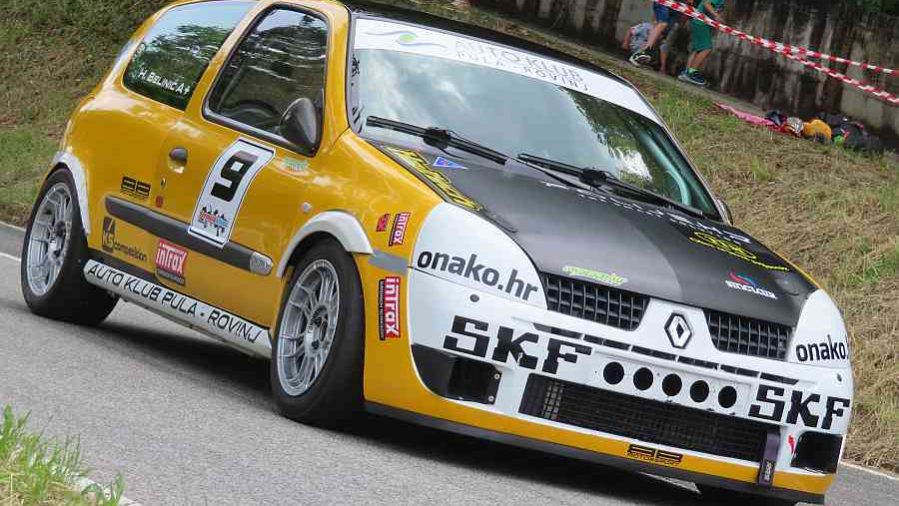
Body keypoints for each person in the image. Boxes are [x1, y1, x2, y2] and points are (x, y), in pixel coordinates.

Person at [629, 1, 693, 69]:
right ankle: (644, 51)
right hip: (665, 3)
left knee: (659, 28)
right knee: (663, 23)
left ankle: (641, 54)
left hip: (674, 7)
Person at [679, 0, 725, 86]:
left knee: (697, 49)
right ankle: (691, 73)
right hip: (701, 23)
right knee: (706, 48)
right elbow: (706, 3)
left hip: (701, 22)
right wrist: (716, 15)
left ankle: (686, 73)